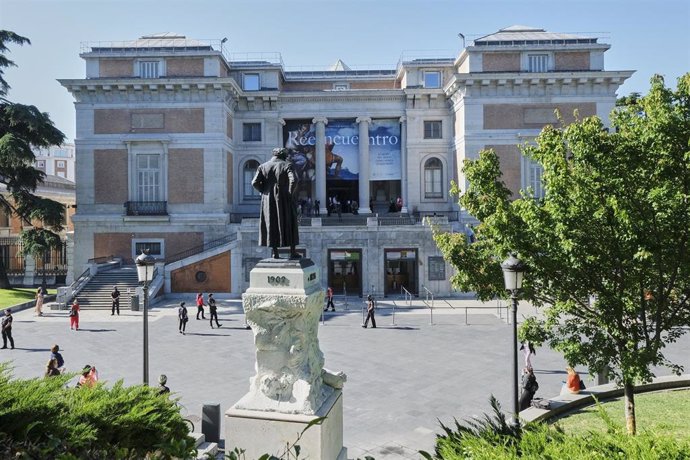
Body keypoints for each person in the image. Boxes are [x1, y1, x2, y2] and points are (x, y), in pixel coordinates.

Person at [252, 147, 300, 259]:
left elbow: (254, 182)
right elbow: (294, 180)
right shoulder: (287, 165)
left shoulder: (262, 166)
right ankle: (292, 252)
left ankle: (275, 253)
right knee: (290, 222)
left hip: (268, 199)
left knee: (271, 223)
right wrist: (290, 193)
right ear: (283, 155)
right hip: (284, 197)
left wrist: (264, 190)